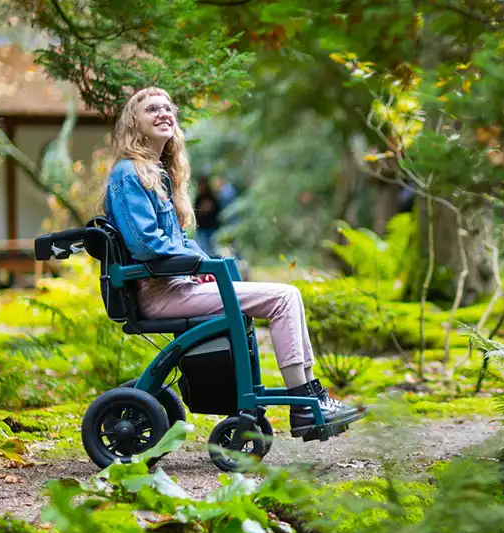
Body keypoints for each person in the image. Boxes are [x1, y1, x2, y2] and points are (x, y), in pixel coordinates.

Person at [99, 87, 362, 436]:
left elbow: (172, 243)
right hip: (160, 293)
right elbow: (146, 244)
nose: (163, 113)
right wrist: (200, 262)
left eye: (167, 108)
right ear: (135, 123)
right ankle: (304, 404)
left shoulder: (157, 172)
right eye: (152, 110)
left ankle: (312, 394)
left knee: (289, 295)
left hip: (178, 286)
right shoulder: (129, 174)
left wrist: (200, 264)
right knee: (283, 298)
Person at [193, 175, 221, 257]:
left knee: (213, 250)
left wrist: (210, 208)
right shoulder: (199, 198)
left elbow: (218, 210)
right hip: (201, 228)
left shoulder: (211, 196)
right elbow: (195, 212)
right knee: (203, 249)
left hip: (212, 227)